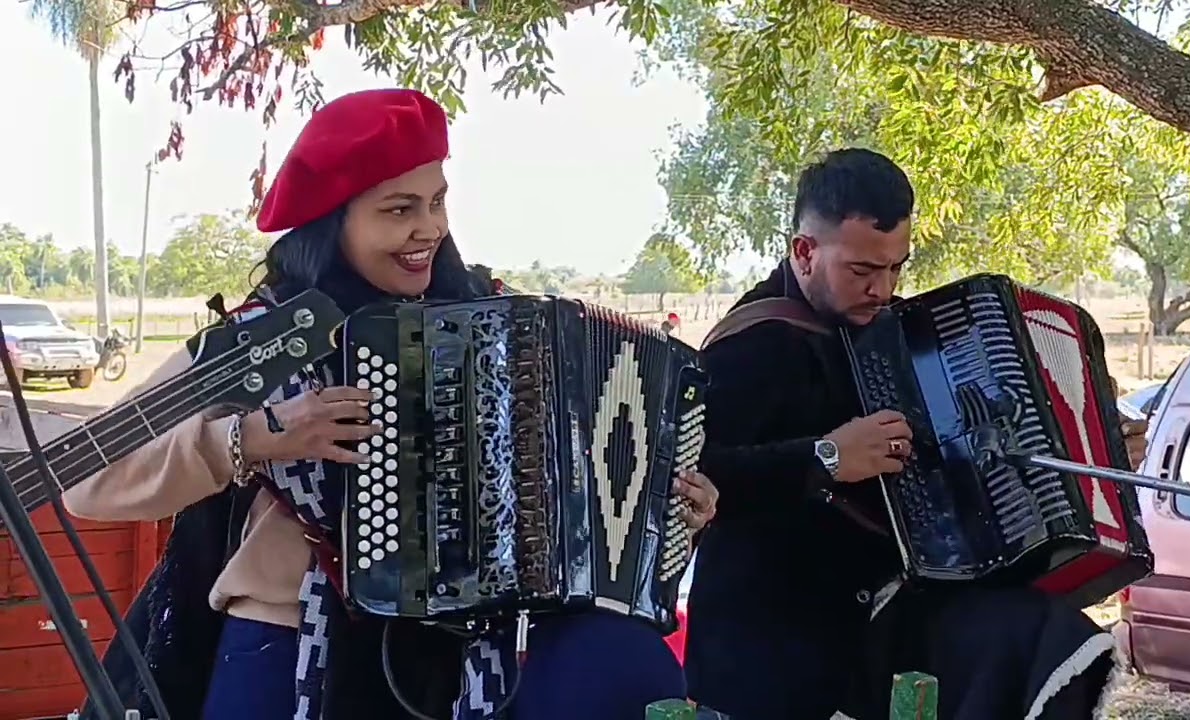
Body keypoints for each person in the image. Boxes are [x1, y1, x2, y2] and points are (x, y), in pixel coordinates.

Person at [65, 87, 715, 720]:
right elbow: (87, 483)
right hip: (285, 646)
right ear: (333, 221)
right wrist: (256, 437)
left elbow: (570, 492)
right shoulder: (266, 337)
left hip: (458, 660)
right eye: (399, 209)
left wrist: (664, 507)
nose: (428, 228)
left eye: (437, 202)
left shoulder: (493, 319)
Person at [684, 147, 1149, 720]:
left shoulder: (905, 334)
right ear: (804, 252)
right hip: (773, 648)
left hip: (882, 618)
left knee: (1050, 636)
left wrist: (1098, 452)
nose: (882, 289)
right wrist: (826, 457)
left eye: (895, 268)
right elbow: (698, 478)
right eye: (862, 271)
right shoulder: (751, 343)